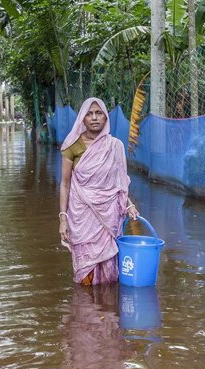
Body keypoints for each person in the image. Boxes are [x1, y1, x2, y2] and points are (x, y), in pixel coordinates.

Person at [59, 97, 139, 285]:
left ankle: (107, 312)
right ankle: (86, 312)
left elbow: (120, 184)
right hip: (81, 216)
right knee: (85, 275)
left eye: (99, 113)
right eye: (89, 114)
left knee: (110, 274)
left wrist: (130, 205)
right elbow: (65, 184)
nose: (94, 118)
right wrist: (63, 218)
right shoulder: (72, 146)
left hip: (108, 216)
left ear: (105, 117)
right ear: (82, 119)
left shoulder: (115, 146)